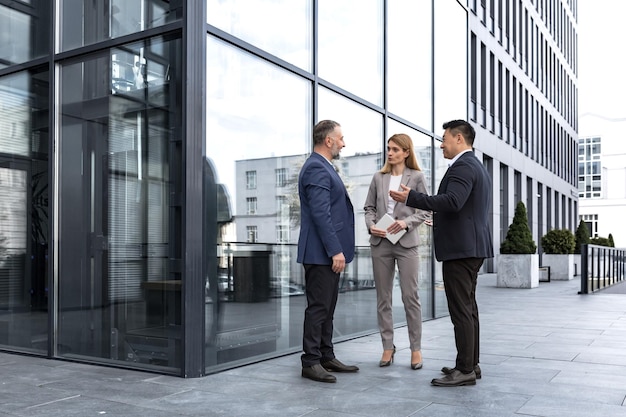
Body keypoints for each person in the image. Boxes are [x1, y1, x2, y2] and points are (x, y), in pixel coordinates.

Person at [390, 120, 494, 387]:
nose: (441, 144)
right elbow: (465, 209)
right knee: (468, 309)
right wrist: (444, 221)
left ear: (459, 139)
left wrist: (411, 197)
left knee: (461, 310)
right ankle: (470, 364)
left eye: (444, 139)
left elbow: (453, 201)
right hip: (470, 246)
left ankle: (466, 369)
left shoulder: (462, 166)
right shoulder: (475, 166)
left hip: (461, 250)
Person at [297, 120, 359, 383]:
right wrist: (335, 250)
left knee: (328, 306)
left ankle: (325, 355)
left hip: (326, 254)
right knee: (319, 308)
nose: (344, 143)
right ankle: (310, 361)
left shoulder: (323, 167)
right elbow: (322, 214)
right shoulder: (316, 168)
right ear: (328, 140)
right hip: (320, 254)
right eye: (341, 138)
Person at [364, 133, 430, 370]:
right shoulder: (378, 177)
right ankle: (387, 346)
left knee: (410, 297)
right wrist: (371, 225)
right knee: (383, 298)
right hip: (381, 243)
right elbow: (369, 208)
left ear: (406, 152)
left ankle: (416, 349)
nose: (390, 153)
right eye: (388, 148)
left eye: (394, 149)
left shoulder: (417, 177)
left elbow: (426, 210)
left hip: (406, 243)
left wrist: (405, 223)